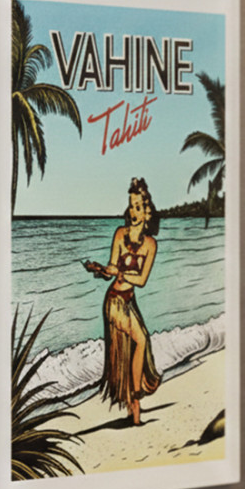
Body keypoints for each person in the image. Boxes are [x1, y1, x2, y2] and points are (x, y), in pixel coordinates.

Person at [84, 178, 162, 425]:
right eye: (131, 205)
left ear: (147, 211)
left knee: (133, 347)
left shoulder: (150, 244)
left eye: (138, 206)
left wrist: (120, 273)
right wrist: (101, 270)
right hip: (114, 301)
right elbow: (112, 267)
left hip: (130, 299)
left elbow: (142, 280)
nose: (133, 211)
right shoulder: (120, 233)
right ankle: (135, 404)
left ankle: (133, 409)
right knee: (141, 340)